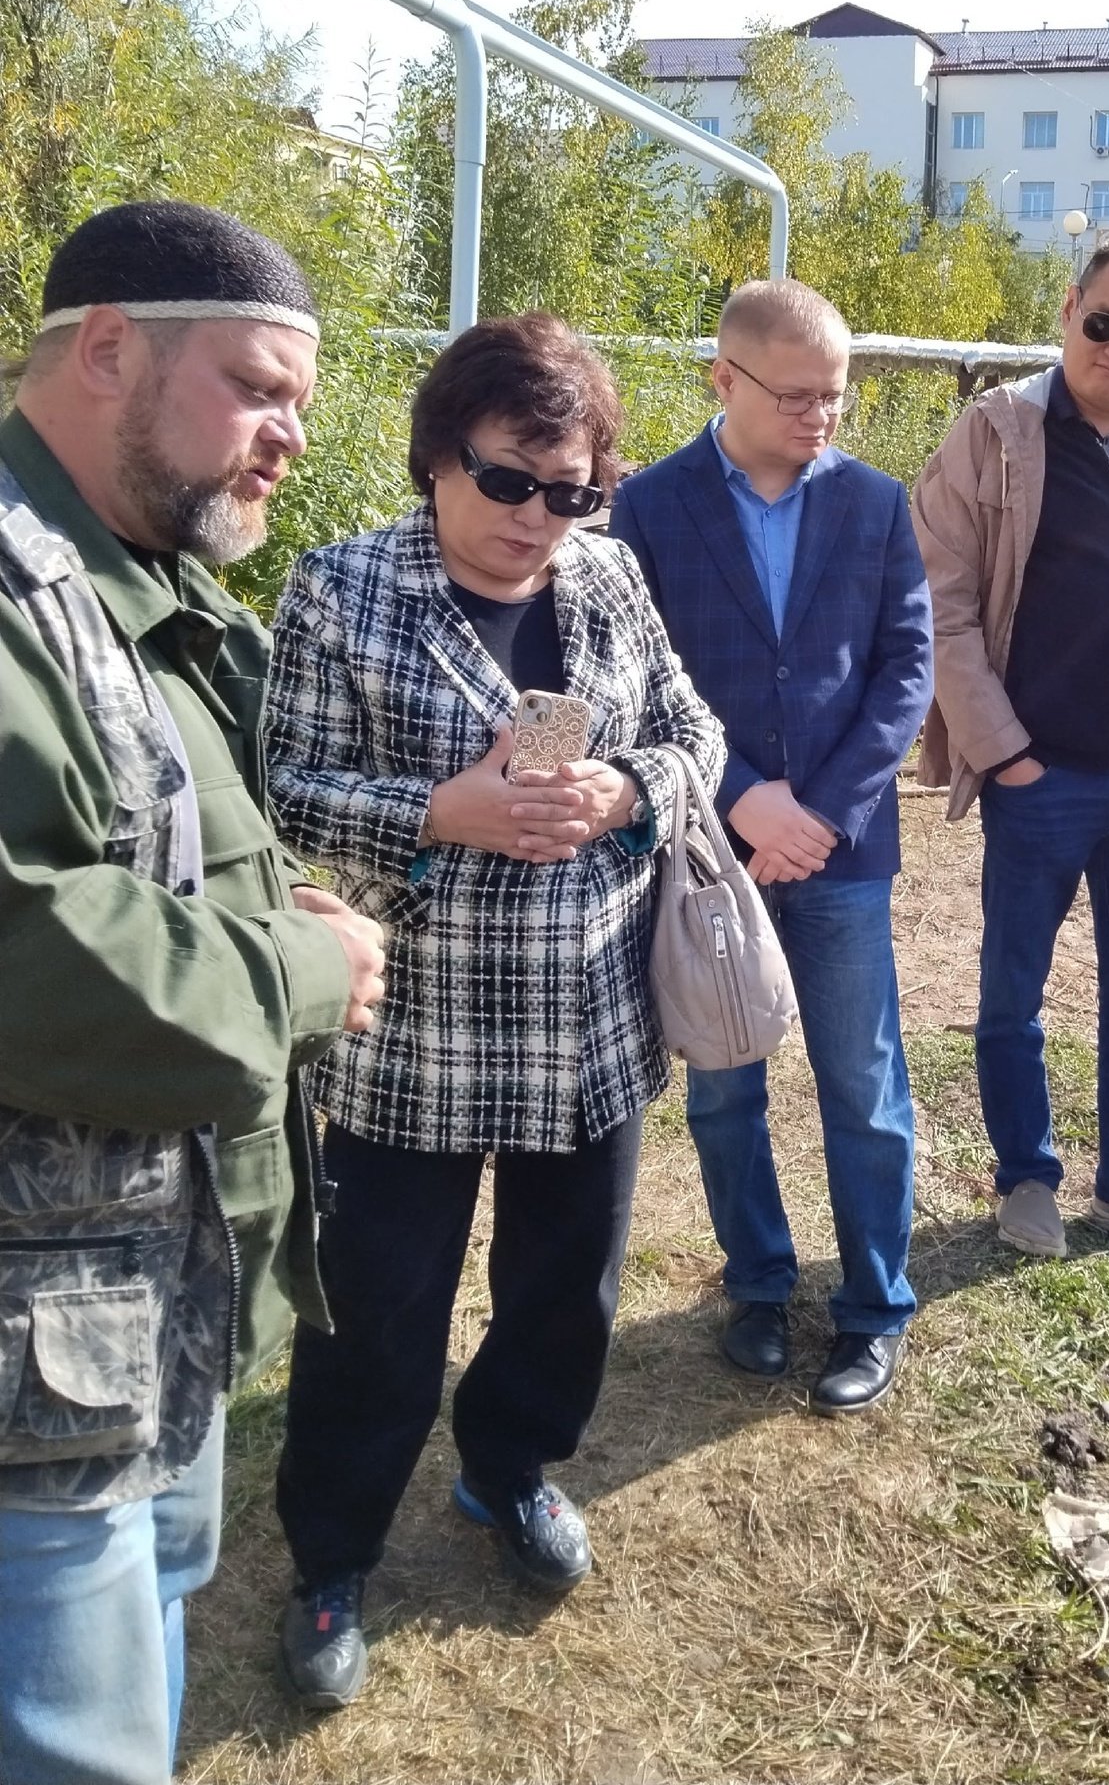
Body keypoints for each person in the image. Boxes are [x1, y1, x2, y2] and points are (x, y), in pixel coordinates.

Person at [265, 312, 724, 1710]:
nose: (537, 517)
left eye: (571, 490)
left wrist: (627, 790)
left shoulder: (609, 577)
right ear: (437, 457)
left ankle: (509, 1468)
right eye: (508, 480)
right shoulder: (342, 588)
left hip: (586, 1024)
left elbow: (694, 734)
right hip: (408, 1028)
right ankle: (333, 1554)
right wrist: (438, 810)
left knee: (565, 1288)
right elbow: (279, 793)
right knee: (374, 1310)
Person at [0, 202, 386, 1785]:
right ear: (107, 350)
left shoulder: (137, 584)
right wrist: (297, 969)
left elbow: (150, 844)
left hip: (152, 1313)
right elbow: (29, 937)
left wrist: (265, 902)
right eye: (257, 388)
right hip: (36, 1366)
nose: (291, 435)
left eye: (300, 401)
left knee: (146, 1660)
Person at [611, 280, 932, 1416]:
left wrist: (824, 812)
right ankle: (755, 1285)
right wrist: (741, 797)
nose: (818, 416)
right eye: (795, 396)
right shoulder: (649, 508)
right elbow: (630, 680)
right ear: (723, 379)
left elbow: (905, 668)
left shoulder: (875, 503)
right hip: (711, 852)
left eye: (834, 396)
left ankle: (873, 1307)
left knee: (863, 1088)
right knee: (722, 1088)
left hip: (840, 853)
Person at [911, 232, 1109, 1276]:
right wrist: (1002, 752)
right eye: (1103, 323)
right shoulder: (995, 434)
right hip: (1040, 777)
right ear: (1067, 310)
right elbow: (940, 602)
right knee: (1013, 991)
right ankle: (1026, 1176)